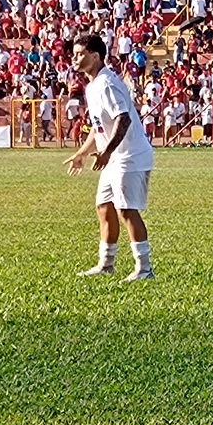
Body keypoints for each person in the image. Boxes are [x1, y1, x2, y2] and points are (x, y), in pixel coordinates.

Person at [63, 33, 155, 282]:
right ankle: (106, 264)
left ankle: (145, 269)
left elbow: (122, 118)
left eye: (80, 53)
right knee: (104, 207)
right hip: (114, 158)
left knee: (127, 210)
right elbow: (98, 126)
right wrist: (82, 153)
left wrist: (107, 152)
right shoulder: (92, 85)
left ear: (95, 56)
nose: (75, 58)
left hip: (129, 156)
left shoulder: (106, 84)